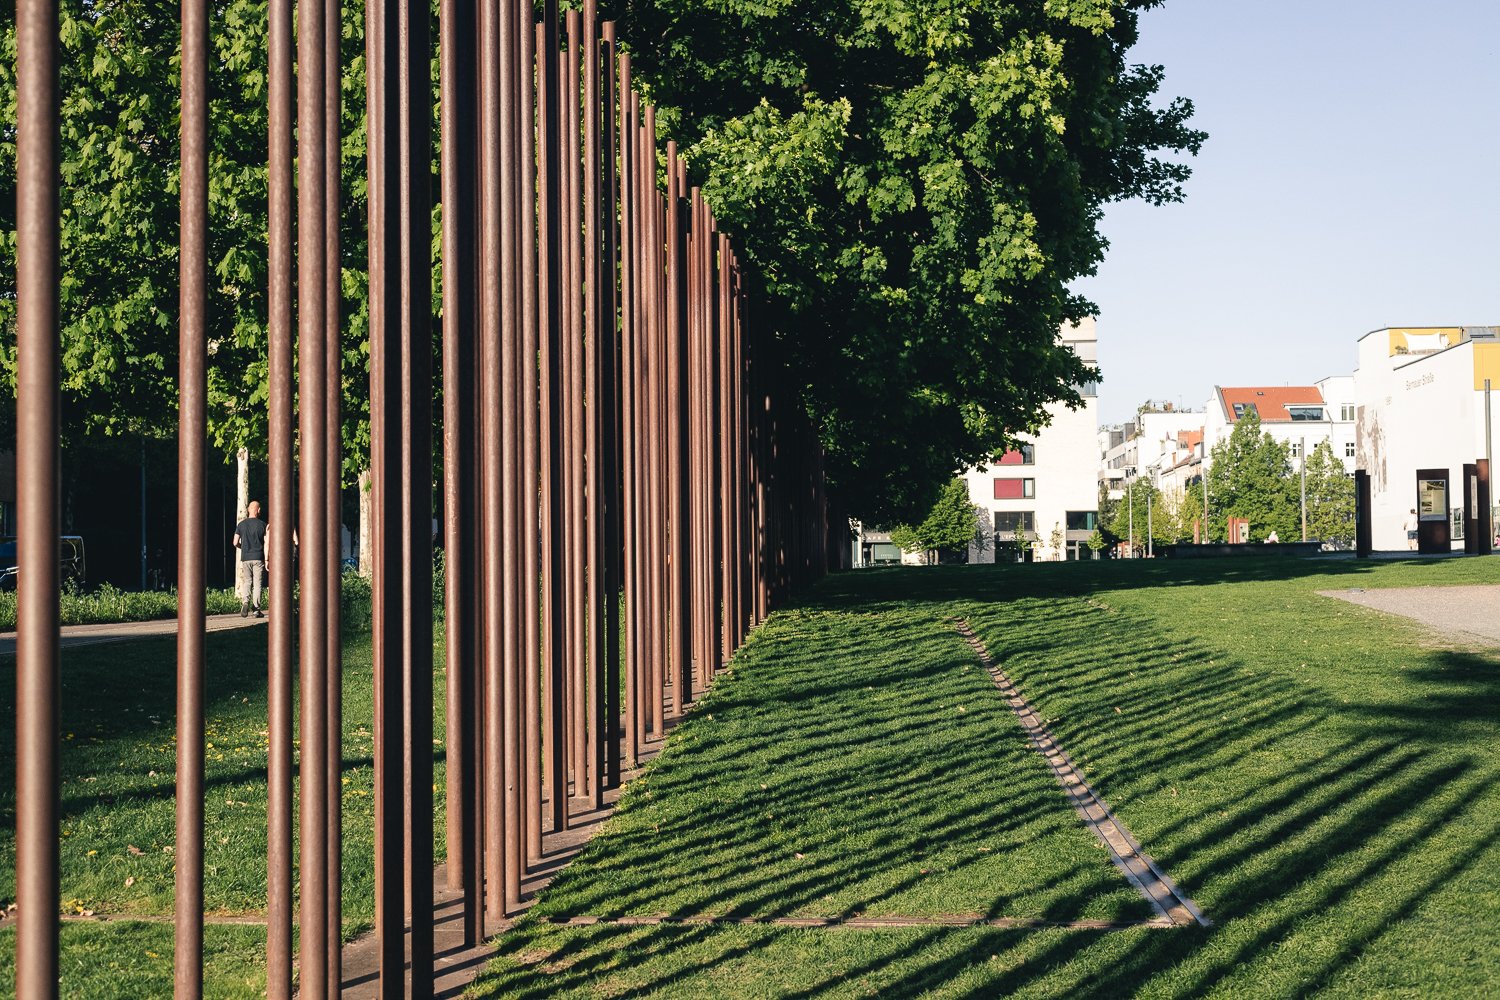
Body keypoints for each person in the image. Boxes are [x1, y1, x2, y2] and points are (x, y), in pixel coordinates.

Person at [233, 501, 268, 618]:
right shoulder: (263, 525)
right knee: (257, 584)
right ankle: (256, 610)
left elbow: (235, 542)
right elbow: (267, 544)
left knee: (247, 581)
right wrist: (267, 560)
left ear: (248, 510)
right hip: (258, 558)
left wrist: (242, 548)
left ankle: (245, 602)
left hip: (246, 558)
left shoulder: (241, 525)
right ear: (258, 510)